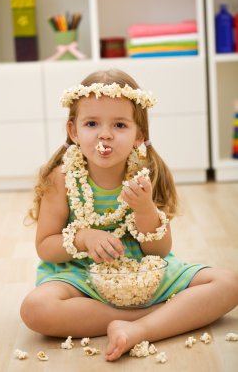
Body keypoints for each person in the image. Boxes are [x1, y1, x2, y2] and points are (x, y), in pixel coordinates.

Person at [20, 69, 238, 362]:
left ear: (140, 135)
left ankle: (136, 329)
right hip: (82, 275)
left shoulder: (146, 174)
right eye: (91, 123)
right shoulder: (61, 179)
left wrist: (145, 208)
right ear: (73, 131)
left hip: (142, 272)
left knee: (229, 283)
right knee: (35, 309)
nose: (104, 134)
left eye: (120, 124)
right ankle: (157, 316)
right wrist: (84, 237)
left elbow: (160, 250)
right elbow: (45, 245)